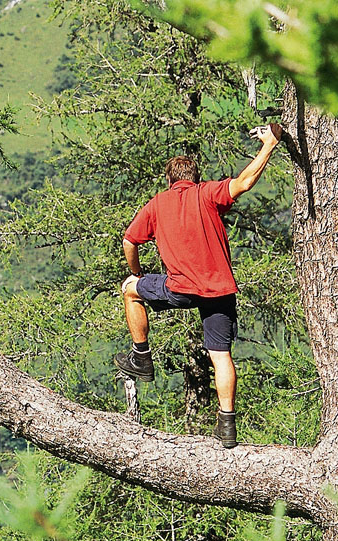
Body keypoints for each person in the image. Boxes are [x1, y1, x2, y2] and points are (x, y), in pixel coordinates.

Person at [114, 123, 283, 448]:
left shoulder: (157, 203)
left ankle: (141, 357)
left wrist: (137, 273)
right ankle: (227, 426)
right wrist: (268, 145)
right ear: (195, 177)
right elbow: (245, 181)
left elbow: (129, 241)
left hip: (179, 288)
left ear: (170, 181)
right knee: (220, 356)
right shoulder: (208, 194)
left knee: (130, 289)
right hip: (220, 290)